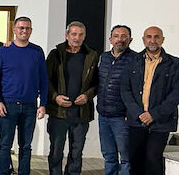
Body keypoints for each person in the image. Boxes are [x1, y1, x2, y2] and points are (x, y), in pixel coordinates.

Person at [0, 16, 48, 175]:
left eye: (27, 28)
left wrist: (43, 104)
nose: (24, 30)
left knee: (26, 146)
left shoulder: (37, 51)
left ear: (31, 30)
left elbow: (43, 79)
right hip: (7, 105)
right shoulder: (3, 51)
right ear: (14, 30)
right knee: (5, 145)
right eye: (21, 27)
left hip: (30, 106)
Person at [121, 26, 179, 175]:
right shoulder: (132, 61)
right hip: (137, 120)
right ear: (143, 40)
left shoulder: (175, 64)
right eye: (149, 37)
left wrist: (153, 114)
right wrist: (139, 113)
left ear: (162, 39)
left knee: (153, 159)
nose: (152, 40)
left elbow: (175, 95)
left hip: (161, 122)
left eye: (156, 37)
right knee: (135, 160)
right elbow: (125, 90)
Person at [45, 21, 98, 175]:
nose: (77, 38)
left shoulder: (92, 55)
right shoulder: (55, 54)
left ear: (84, 36)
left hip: (81, 113)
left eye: (80, 34)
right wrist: (55, 97)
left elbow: (97, 83)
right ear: (67, 35)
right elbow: (45, 80)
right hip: (58, 112)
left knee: (76, 152)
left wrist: (87, 96)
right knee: (56, 151)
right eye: (74, 34)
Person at [97, 25, 137, 175]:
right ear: (110, 39)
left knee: (126, 157)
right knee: (108, 155)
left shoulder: (135, 59)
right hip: (103, 115)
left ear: (130, 40)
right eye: (116, 36)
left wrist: (130, 112)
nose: (120, 39)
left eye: (124, 36)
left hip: (122, 117)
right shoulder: (104, 57)